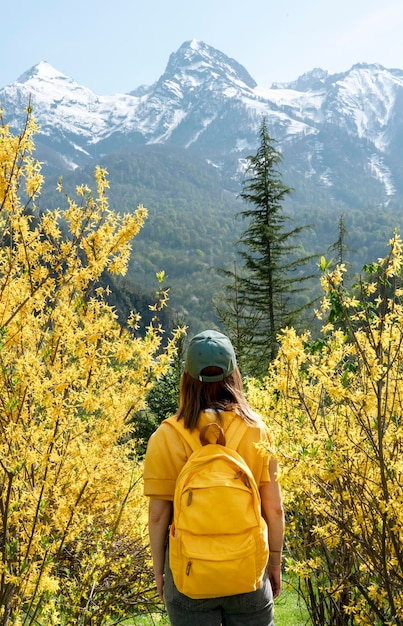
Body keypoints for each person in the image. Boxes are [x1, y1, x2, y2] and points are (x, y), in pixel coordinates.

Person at [143, 330, 285, 626]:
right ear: (234, 374)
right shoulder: (257, 430)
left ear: (186, 378)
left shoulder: (166, 436)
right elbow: (274, 510)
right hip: (248, 570)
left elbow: (158, 517)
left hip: (188, 573)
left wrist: (160, 572)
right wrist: (274, 563)